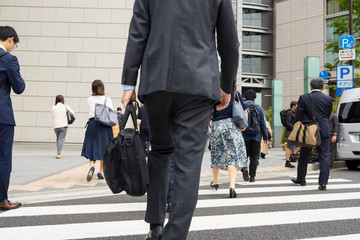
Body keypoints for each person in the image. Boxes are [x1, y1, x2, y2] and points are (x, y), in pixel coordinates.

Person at [121, 0, 239, 239]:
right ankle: (174, 235)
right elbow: (229, 42)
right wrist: (226, 85)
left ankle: (155, 225)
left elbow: (138, 32)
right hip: (199, 85)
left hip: (157, 82)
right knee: (188, 163)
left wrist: (129, 82)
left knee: (160, 150)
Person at [291, 78, 333, 191]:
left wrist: (296, 127)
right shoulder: (328, 99)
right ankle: (323, 184)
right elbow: (328, 115)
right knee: (324, 157)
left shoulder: (304, 97)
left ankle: (301, 179)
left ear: (310, 86)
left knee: (304, 155)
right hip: (323, 130)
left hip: (308, 131)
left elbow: (298, 114)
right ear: (323, 87)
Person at [0, 26, 25, 210]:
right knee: (3, 159)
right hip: (2, 117)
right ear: (10, 40)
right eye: (14, 44)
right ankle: (2, 199)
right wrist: (19, 77)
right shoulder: (9, 59)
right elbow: (19, 87)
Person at [210, 91, 248, 198]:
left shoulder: (213, 92)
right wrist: (243, 126)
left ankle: (215, 182)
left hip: (216, 125)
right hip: (231, 125)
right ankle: (232, 187)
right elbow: (244, 111)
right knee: (232, 156)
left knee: (216, 153)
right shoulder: (234, 93)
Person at [81, 80, 114, 182]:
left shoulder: (89, 99)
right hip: (104, 126)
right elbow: (111, 111)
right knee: (104, 148)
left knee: (92, 146)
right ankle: (100, 172)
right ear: (102, 88)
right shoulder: (107, 99)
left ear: (92, 88)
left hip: (92, 125)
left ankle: (92, 167)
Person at [242, 89, 269, 182]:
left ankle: (244, 168)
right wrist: (266, 137)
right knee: (254, 157)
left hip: (244, 135)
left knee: (244, 155)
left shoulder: (242, 107)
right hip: (256, 136)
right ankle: (252, 176)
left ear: (245, 98)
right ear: (254, 99)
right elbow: (263, 124)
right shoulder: (259, 108)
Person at [51, 95, 75, 159]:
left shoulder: (53, 107)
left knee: (58, 139)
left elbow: (53, 116)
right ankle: (58, 153)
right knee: (61, 140)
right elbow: (73, 112)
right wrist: (66, 111)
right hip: (63, 125)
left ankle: (58, 152)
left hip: (56, 126)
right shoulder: (65, 106)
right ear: (62, 100)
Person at [284, 101, 297, 168]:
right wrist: (294, 128)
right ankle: (287, 161)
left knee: (292, 146)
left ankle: (290, 158)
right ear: (293, 106)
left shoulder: (293, 113)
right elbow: (288, 123)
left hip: (292, 132)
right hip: (290, 132)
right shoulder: (289, 113)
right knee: (289, 147)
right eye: (296, 105)